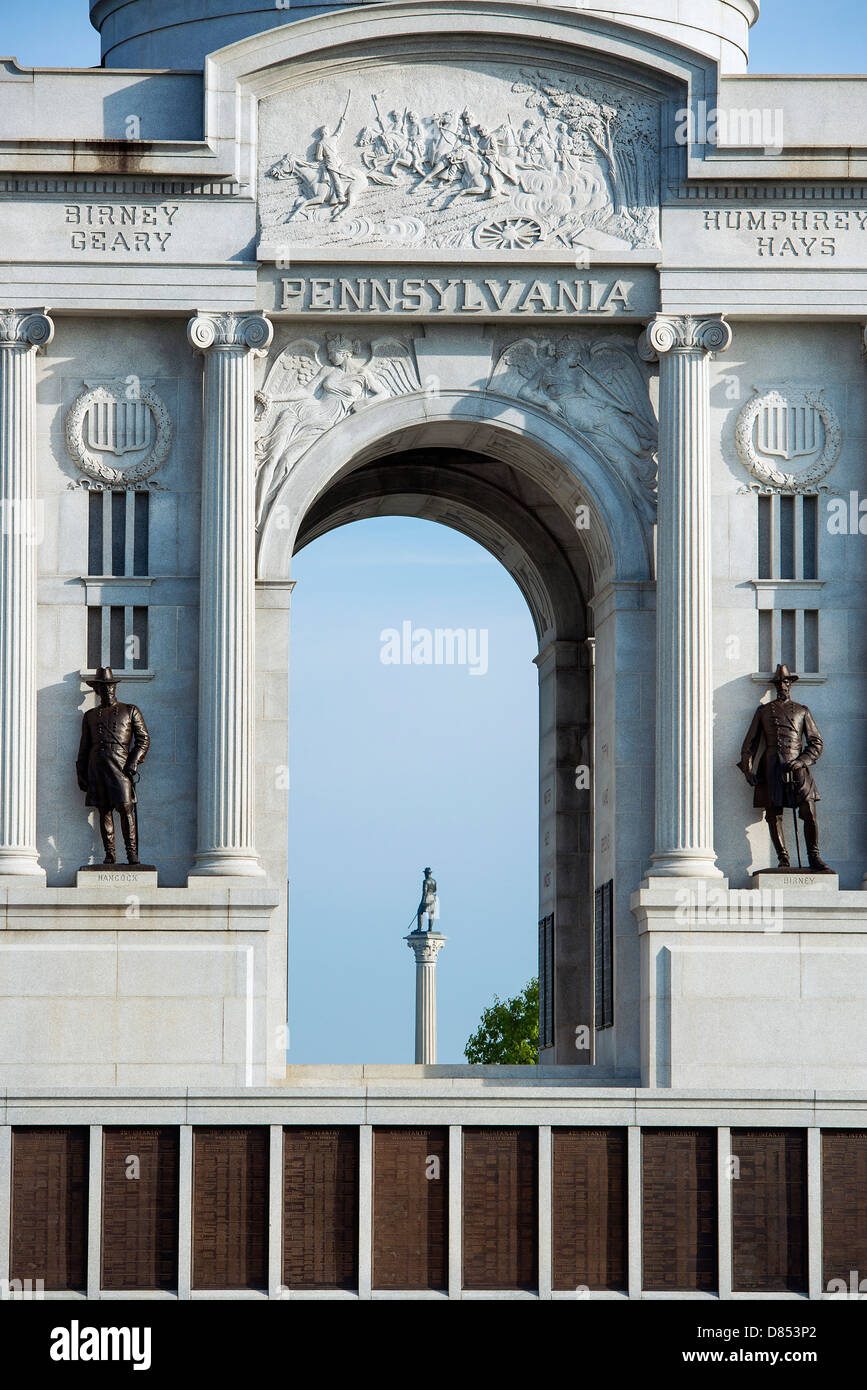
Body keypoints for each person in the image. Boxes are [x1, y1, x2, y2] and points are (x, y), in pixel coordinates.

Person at [737, 662, 830, 871]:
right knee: (773, 814)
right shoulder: (763, 711)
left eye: (786, 681)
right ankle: (783, 858)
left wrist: (803, 760)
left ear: (791, 683)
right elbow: (750, 743)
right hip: (772, 767)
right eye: (779, 682)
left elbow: (816, 742)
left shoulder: (802, 710)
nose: (782, 685)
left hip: (798, 766)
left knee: (809, 810)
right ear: (775, 685)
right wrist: (747, 769)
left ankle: (814, 856)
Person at [76, 666, 150, 865]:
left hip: (121, 766)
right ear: (97, 690)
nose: (107, 690)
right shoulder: (90, 716)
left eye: (110, 686)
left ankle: (131, 854)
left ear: (115, 688)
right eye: (103, 687)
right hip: (97, 767)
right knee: (104, 810)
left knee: (125, 808)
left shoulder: (130, 710)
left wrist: (134, 762)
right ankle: (110, 854)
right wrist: (81, 773)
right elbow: (84, 748)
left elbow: (143, 739)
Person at [415, 868, 439, 932]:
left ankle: (419, 928)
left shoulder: (425, 881)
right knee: (431, 913)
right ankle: (430, 928)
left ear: (426, 873)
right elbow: (435, 890)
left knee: (419, 912)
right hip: (432, 898)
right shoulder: (434, 881)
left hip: (427, 898)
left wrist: (423, 900)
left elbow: (424, 892)